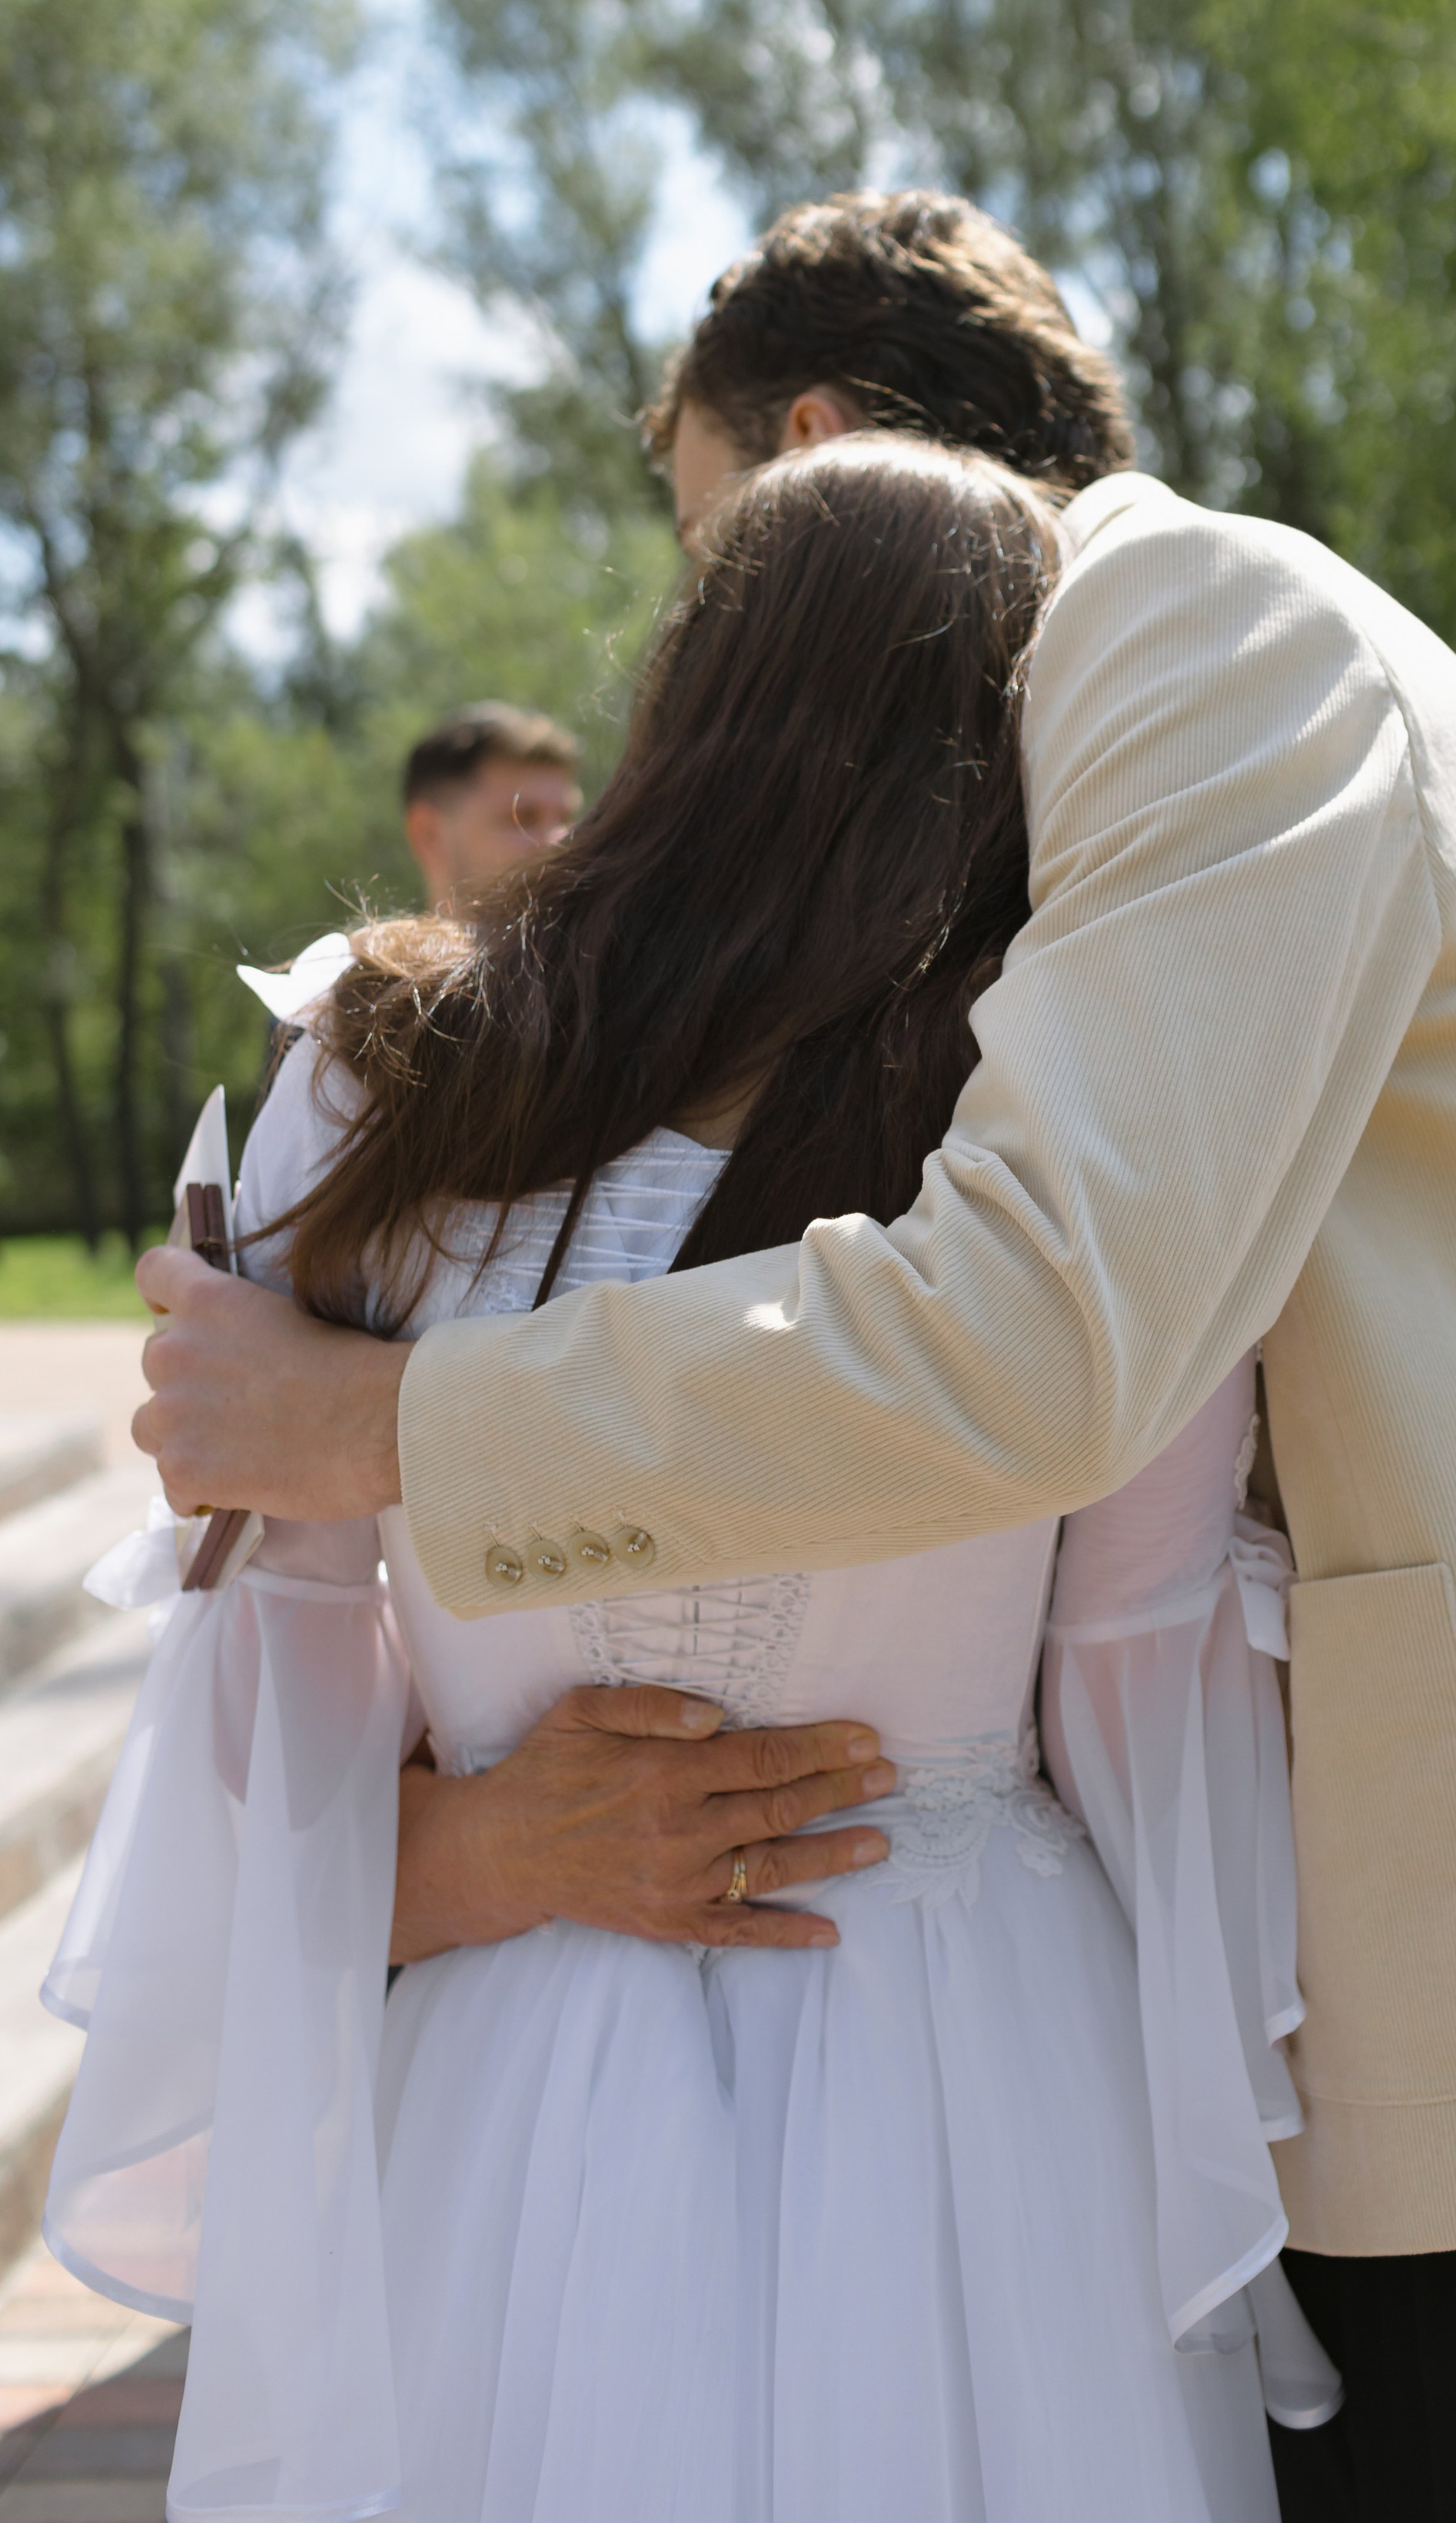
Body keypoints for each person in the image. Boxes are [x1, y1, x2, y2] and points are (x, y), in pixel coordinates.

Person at [131, 191, 1456, 2523]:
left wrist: (388, 1426)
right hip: (1276, 1983)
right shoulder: (990, 794)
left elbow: (1040, 1322)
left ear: (802, 451)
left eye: (693, 532)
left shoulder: (1188, 621)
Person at [49, 440, 1328, 2522]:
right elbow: (1138, 1684)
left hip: (512, 2075)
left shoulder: (375, 1086)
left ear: (689, 696)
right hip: (974, 2070)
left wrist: (478, 1859)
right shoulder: (1073, 1134)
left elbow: (256, 1745)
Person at [401, 702, 582, 910]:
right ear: (429, 835)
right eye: (523, 819)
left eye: (566, 819)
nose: (559, 842)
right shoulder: (366, 944)